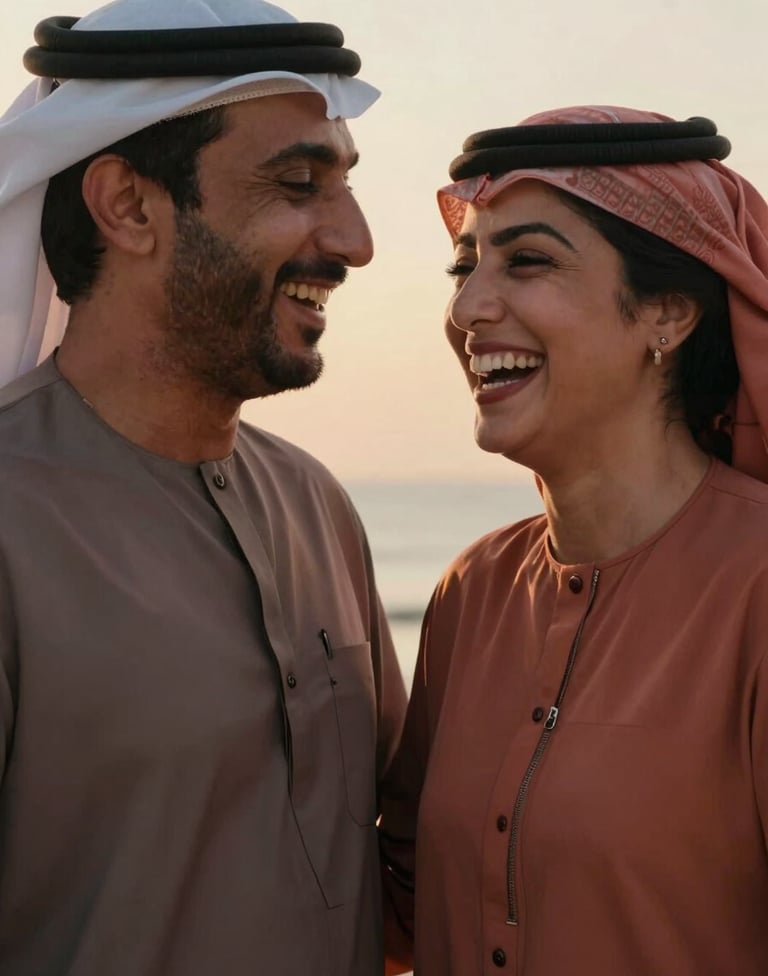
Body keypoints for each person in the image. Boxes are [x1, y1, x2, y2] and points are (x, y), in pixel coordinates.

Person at [0, 2, 407, 974]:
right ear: (129, 207)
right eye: (299, 184)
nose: (355, 241)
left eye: (345, 188)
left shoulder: (316, 504)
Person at [379, 105, 768, 976]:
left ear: (667, 313)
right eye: (464, 267)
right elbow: (396, 900)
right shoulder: (474, 589)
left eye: (528, 261)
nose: (468, 309)